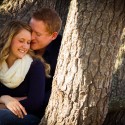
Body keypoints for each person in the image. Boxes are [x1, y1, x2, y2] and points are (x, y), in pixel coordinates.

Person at [0, 20, 49, 125]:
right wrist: (5, 99)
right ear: (9, 39)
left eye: (28, 42)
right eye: (21, 41)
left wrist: (4, 104)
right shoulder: (0, 64)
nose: (25, 46)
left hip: (29, 117)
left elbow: (35, 103)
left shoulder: (35, 65)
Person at [29, 8, 62, 114]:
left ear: (53, 36)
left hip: (38, 112)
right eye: (30, 30)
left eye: (38, 34)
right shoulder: (22, 40)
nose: (31, 37)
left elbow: (54, 94)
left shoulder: (62, 53)